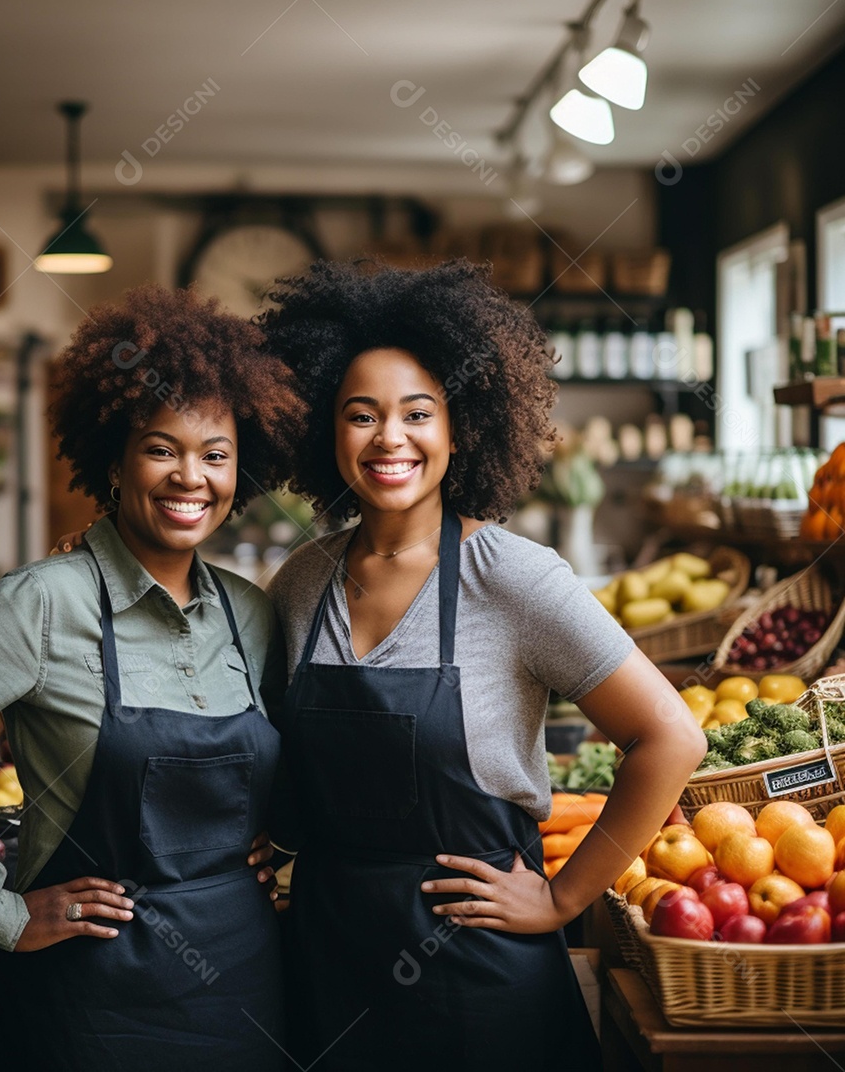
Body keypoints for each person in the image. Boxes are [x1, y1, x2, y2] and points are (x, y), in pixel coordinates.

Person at [260, 259, 707, 1071]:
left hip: (479, 981)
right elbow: (280, 756)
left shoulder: (510, 576)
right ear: (327, 433)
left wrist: (565, 896)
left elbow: (671, 738)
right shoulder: (300, 582)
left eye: (417, 414)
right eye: (360, 415)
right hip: (328, 964)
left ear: (460, 428)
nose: (389, 438)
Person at [0, 285, 307, 1071]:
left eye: (217, 455)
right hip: (87, 1006)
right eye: (162, 448)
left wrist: (290, 846)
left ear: (244, 473)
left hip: (242, 993)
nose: (190, 477)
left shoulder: (250, 614)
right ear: (115, 461)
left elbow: (283, 770)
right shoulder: (43, 603)